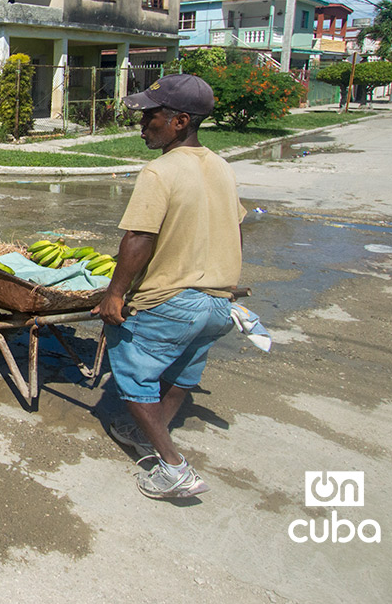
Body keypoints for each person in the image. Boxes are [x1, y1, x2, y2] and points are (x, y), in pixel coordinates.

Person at [91, 74, 246, 500]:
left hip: (172, 302)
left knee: (132, 371)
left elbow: (139, 237)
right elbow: (234, 228)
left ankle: (172, 465)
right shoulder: (221, 167)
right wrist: (228, 279)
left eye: (150, 116)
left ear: (180, 121)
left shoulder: (160, 171)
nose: (142, 123)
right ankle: (140, 431)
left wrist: (115, 294)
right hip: (219, 305)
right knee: (181, 372)